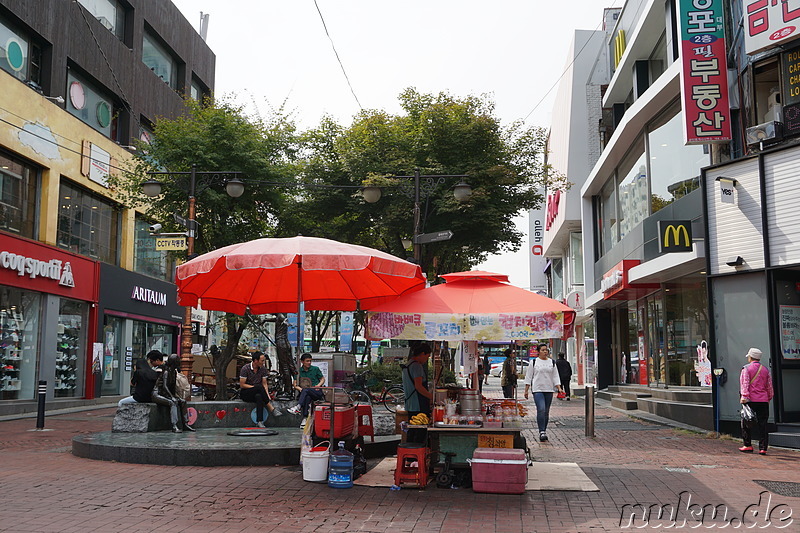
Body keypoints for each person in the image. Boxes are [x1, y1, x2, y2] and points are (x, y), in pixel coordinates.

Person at [523, 344, 564, 442]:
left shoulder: (552, 362)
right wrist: (526, 390)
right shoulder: (534, 362)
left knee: (546, 411)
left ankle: (544, 430)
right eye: (543, 350)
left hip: (549, 389)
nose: (545, 352)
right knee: (541, 409)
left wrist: (559, 387)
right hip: (537, 389)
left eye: (546, 350)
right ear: (538, 351)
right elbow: (529, 376)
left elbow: (555, 376)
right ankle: (541, 431)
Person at [739, 347, 774, 455]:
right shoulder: (765, 369)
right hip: (763, 400)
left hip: (750, 400)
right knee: (763, 424)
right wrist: (769, 397)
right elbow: (769, 386)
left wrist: (744, 396)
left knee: (746, 422)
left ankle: (747, 445)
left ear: (750, 357)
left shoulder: (746, 369)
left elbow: (745, 383)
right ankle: (763, 448)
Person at [152, 353, 194, 433]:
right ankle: (174, 426)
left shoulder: (174, 372)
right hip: (157, 394)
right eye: (178, 361)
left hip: (166, 394)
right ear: (174, 362)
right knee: (173, 402)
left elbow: (172, 387)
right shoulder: (166, 372)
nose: (179, 362)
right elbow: (165, 386)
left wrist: (175, 396)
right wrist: (172, 397)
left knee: (183, 401)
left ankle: (185, 424)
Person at [240, 351, 283, 428]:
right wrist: (255, 388)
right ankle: (271, 408)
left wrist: (267, 395)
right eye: (262, 360)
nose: (263, 362)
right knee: (258, 387)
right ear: (256, 361)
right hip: (246, 392)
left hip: (258, 391)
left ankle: (260, 421)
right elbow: (242, 385)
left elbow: (264, 383)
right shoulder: (245, 368)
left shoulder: (263, 369)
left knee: (259, 396)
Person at [402, 343, 433, 443]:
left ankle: (411, 455)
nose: (426, 360)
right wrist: (432, 397)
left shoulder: (408, 365)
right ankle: (416, 455)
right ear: (422, 354)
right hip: (418, 404)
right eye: (427, 356)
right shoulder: (417, 366)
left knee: (412, 431)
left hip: (410, 403)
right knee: (419, 432)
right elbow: (419, 387)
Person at [287, 353, 325, 427]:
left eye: (310, 361)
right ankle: (305, 418)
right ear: (302, 361)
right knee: (307, 396)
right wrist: (300, 389)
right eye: (307, 361)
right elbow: (295, 384)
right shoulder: (298, 371)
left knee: (306, 390)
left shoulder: (315, 369)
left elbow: (322, 379)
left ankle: (298, 407)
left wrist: (318, 385)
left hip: (316, 392)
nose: (309, 363)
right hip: (305, 392)